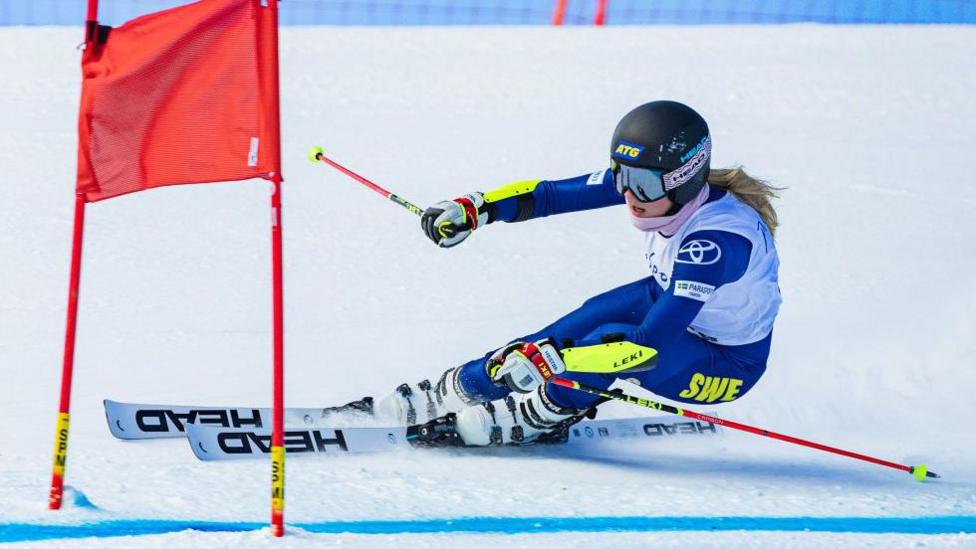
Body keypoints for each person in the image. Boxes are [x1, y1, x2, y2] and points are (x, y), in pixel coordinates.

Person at [347, 100, 783, 446]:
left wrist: (556, 364)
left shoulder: (714, 246)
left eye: (645, 185)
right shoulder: (652, 185)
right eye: (621, 176)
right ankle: (455, 391)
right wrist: (477, 208)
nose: (630, 195)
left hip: (724, 363)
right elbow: (551, 196)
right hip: (668, 301)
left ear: (684, 180)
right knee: (554, 336)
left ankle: (541, 415)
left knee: (601, 343)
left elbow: (648, 347)